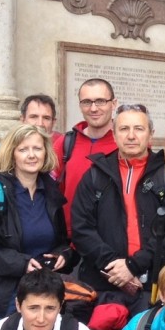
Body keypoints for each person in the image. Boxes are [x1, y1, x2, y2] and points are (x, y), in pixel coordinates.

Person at [71, 104, 165, 315]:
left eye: (139, 129)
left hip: (150, 286)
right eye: (124, 129)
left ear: (151, 134)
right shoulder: (95, 176)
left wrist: (133, 266)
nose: (131, 136)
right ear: (113, 134)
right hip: (102, 285)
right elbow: (81, 228)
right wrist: (115, 267)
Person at [0, 123, 71, 330]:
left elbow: (61, 241)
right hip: (1, 300)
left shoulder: (50, 191)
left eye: (37, 148)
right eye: (23, 149)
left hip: (42, 298)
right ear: (12, 154)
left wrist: (63, 254)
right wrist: (20, 263)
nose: (31, 155)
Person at [52, 78, 118, 233]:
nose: (93, 108)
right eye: (87, 102)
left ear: (114, 104)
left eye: (100, 101)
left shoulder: (126, 143)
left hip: (111, 240)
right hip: (70, 238)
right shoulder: (65, 143)